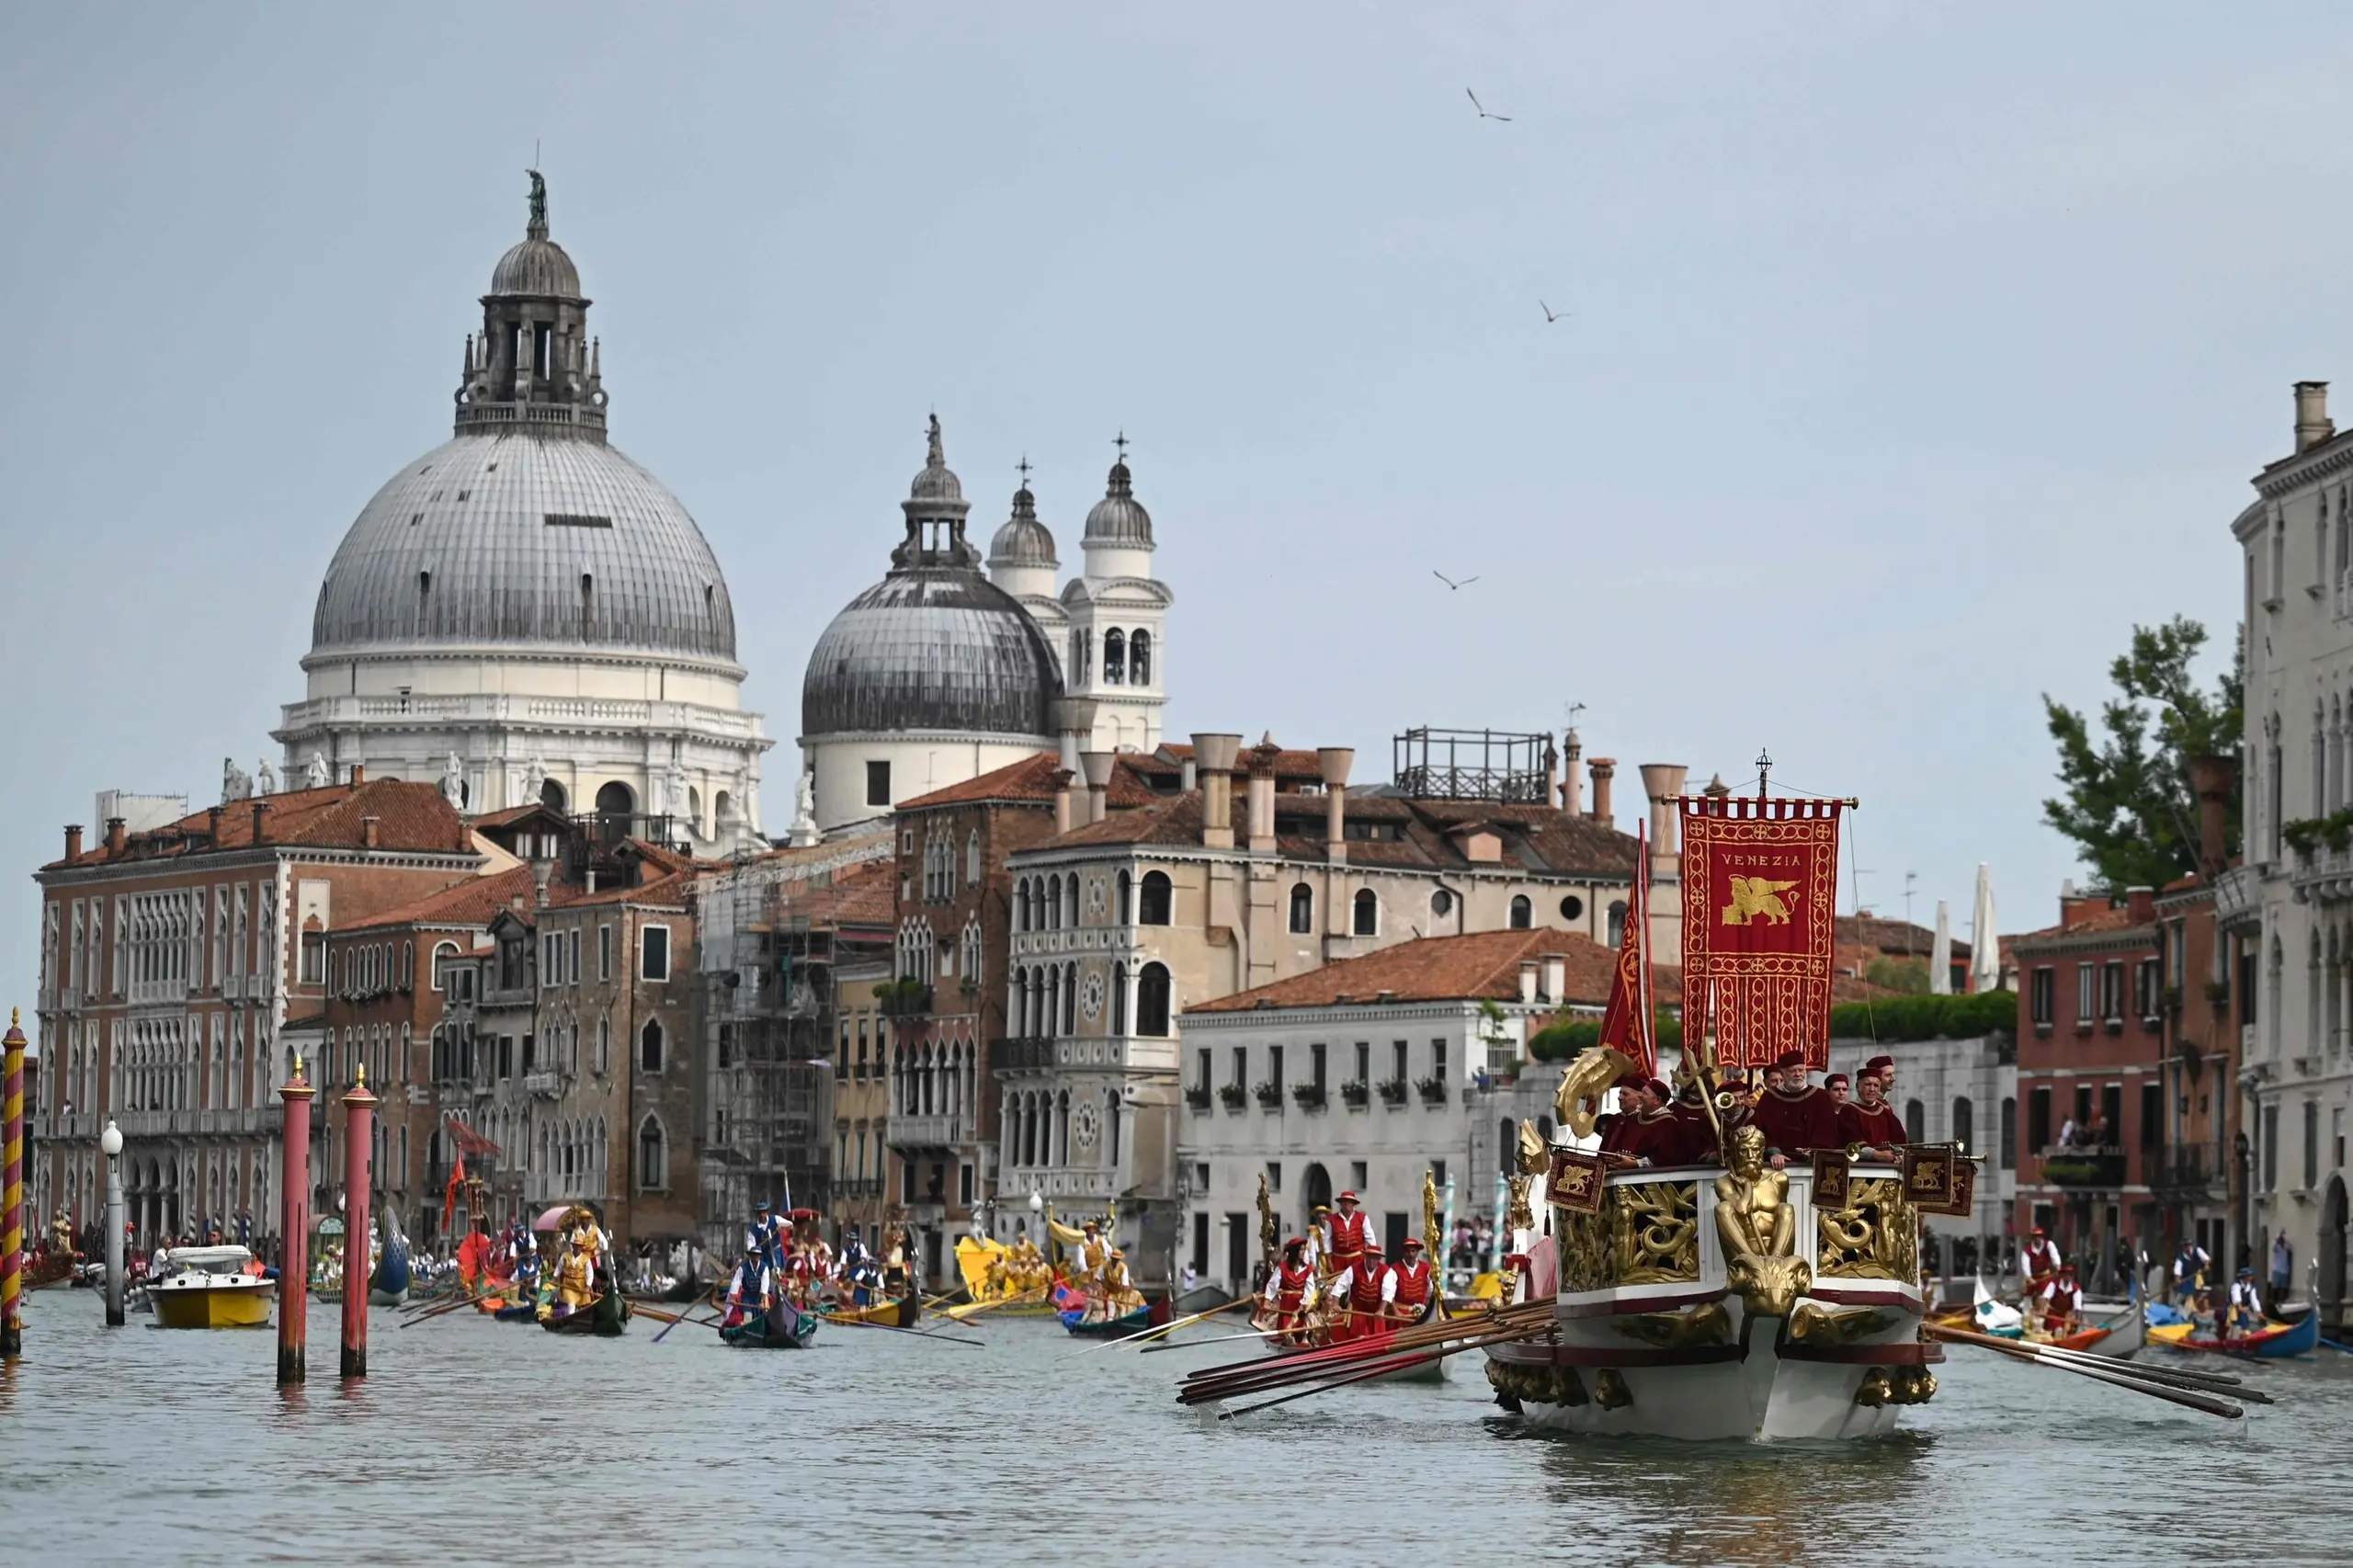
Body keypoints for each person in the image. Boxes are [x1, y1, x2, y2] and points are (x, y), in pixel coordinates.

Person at [1748, 1049, 1840, 1166]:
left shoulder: (1821, 1097)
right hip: (1777, 1165)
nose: (1798, 1074)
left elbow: (1827, 1133)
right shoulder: (1769, 1098)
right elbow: (1761, 1131)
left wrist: (1813, 1151)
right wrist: (1773, 1153)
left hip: (1811, 1164)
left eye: (1801, 1070)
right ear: (1782, 1074)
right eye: (1792, 1071)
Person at [1835, 1060, 1907, 1155]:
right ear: (1857, 1087)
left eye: (1876, 1085)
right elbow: (1852, 1144)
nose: (1872, 1089)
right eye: (1868, 1084)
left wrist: (1898, 1153)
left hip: (1888, 1165)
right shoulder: (1849, 1110)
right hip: (1862, 1166)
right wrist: (1876, 1154)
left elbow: (1899, 1140)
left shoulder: (1884, 1111)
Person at [1257, 1236, 1318, 1346]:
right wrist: (1266, 1302)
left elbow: (1309, 1291)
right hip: (1286, 1306)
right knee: (1286, 1332)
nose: (1303, 1252)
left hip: (1301, 1307)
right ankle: (1288, 1342)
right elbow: (1272, 1286)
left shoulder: (1308, 1270)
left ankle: (1303, 1341)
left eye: (1304, 1249)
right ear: (1294, 1251)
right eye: (1301, 1249)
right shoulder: (1282, 1268)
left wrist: (1300, 1309)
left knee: (1301, 1328)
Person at [1328, 1239, 1391, 1342]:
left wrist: (1381, 1310)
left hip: (1376, 1314)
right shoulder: (1354, 1269)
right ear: (1365, 1256)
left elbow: (1388, 1293)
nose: (1372, 1261)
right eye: (1369, 1257)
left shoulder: (1386, 1272)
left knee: (1378, 1342)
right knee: (1359, 1339)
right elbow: (1339, 1286)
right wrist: (1335, 1304)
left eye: (1375, 1258)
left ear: (1379, 1259)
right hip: (1358, 1312)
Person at [721, 1246, 773, 1330]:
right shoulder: (743, 1268)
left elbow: (765, 1286)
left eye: (757, 1255)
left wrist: (762, 1301)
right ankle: (748, 1331)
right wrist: (733, 1298)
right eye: (754, 1254)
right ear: (750, 1256)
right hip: (747, 1297)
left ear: (760, 1256)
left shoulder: (764, 1268)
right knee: (748, 1317)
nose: (756, 1256)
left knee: (761, 1318)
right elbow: (736, 1283)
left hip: (759, 1297)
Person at [1389, 1235, 1436, 1327]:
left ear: (1417, 1252)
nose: (1410, 1254)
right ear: (1403, 1253)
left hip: (1421, 1314)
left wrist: (1425, 1309)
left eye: (1413, 1251)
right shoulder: (1394, 1269)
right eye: (1407, 1251)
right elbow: (1389, 1293)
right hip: (1401, 1313)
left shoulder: (1426, 1268)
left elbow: (1431, 1291)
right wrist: (1396, 1312)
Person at [1325, 1191, 1370, 1281]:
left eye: (1349, 1202)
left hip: (1357, 1258)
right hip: (1338, 1259)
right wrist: (1329, 1261)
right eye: (1344, 1201)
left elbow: (1370, 1238)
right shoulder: (1332, 1220)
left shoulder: (1362, 1218)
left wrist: (1369, 1257)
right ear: (1340, 1203)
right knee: (1337, 1285)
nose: (1347, 1204)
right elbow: (1327, 1240)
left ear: (1354, 1204)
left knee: (1357, 1283)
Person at [2020, 1225, 2063, 1310]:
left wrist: (2058, 1266)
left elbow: (2054, 1255)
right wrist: (2029, 1278)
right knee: (2027, 1297)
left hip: (2044, 1276)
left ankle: (2043, 1312)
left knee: (2044, 1295)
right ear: (2032, 1238)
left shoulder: (2049, 1244)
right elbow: (2025, 1265)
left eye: (2039, 1237)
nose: (2037, 1239)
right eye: (2035, 1237)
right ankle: (2026, 1315)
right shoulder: (2027, 1250)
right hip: (2031, 1277)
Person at [2041, 1264, 2082, 1337]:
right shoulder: (2054, 1284)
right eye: (2067, 1274)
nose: (2069, 1276)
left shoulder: (2076, 1289)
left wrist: (2077, 1320)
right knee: (2058, 1330)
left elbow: (2077, 1307)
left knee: (2069, 1331)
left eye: (2071, 1274)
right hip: (2053, 1313)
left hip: (2067, 1315)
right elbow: (2045, 1298)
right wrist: (2043, 1310)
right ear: (2062, 1275)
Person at [2173, 1235, 2211, 1307]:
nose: (2187, 1247)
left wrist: (2206, 1265)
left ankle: (2193, 1310)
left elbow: (2206, 1259)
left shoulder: (2197, 1250)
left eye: (2188, 1245)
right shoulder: (2181, 1257)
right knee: (2183, 1294)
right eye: (2185, 1246)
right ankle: (2178, 1308)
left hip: (2196, 1276)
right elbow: (2177, 1268)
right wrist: (2177, 1278)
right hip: (2186, 1278)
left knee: (2197, 1294)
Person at [2226, 1266, 2264, 1337]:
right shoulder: (2236, 1285)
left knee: (2244, 1326)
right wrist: (2239, 1306)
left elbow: (2254, 1300)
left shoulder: (2251, 1287)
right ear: (2244, 1277)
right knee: (2235, 1327)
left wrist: (2259, 1311)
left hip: (2243, 1311)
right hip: (2233, 1310)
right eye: (2249, 1276)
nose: (2251, 1278)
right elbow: (2236, 1296)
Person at [2269, 1231, 2293, 1312]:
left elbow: (2290, 1246)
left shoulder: (2286, 1249)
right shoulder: (2277, 1248)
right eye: (2281, 1240)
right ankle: (2274, 1303)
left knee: (2283, 1288)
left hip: (2284, 1271)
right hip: (2277, 1270)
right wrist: (2279, 1234)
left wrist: (2285, 1240)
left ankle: (2281, 1303)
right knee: (2275, 1287)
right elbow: (2274, 1245)